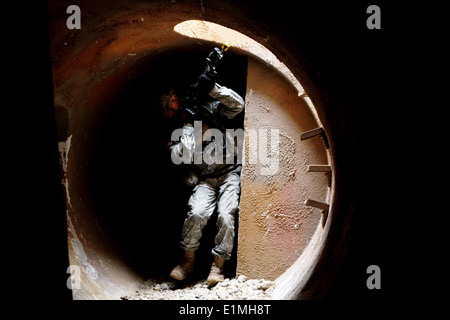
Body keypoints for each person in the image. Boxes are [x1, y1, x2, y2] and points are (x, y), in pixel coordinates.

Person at [161, 72, 245, 287]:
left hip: (229, 172)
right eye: (171, 101)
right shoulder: (177, 131)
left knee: (226, 214)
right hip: (205, 178)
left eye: (175, 98)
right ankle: (187, 262)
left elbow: (237, 105)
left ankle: (218, 266)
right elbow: (186, 154)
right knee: (197, 213)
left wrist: (213, 89)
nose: (176, 101)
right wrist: (192, 126)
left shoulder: (209, 111)